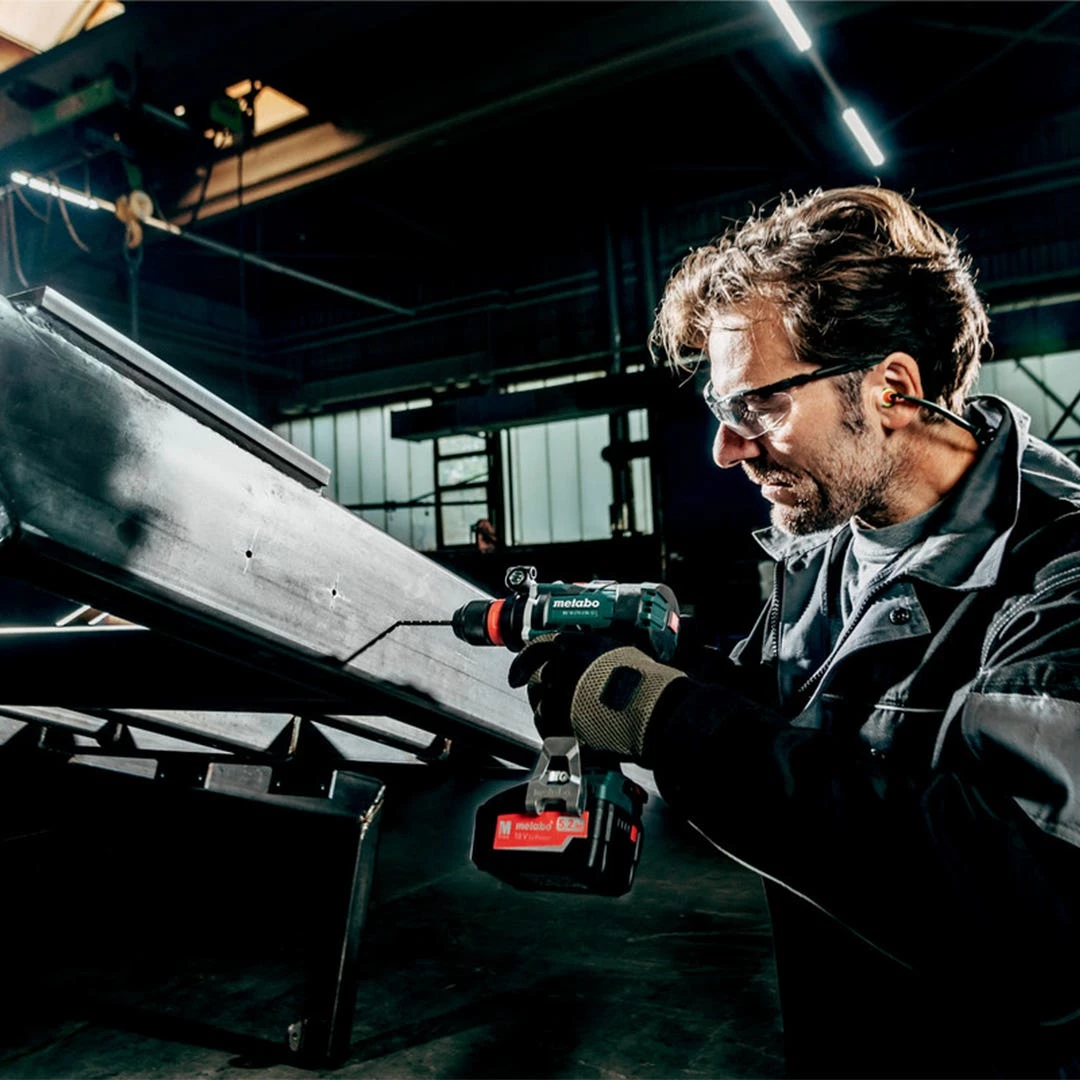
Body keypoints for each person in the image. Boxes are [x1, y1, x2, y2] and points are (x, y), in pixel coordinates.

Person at [509, 187, 1080, 1079]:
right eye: (722, 412)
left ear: (892, 388)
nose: (726, 450)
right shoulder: (830, 540)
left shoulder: (1058, 573)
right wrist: (664, 662)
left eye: (759, 408)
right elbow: (804, 729)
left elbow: (1037, 916)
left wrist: (654, 713)